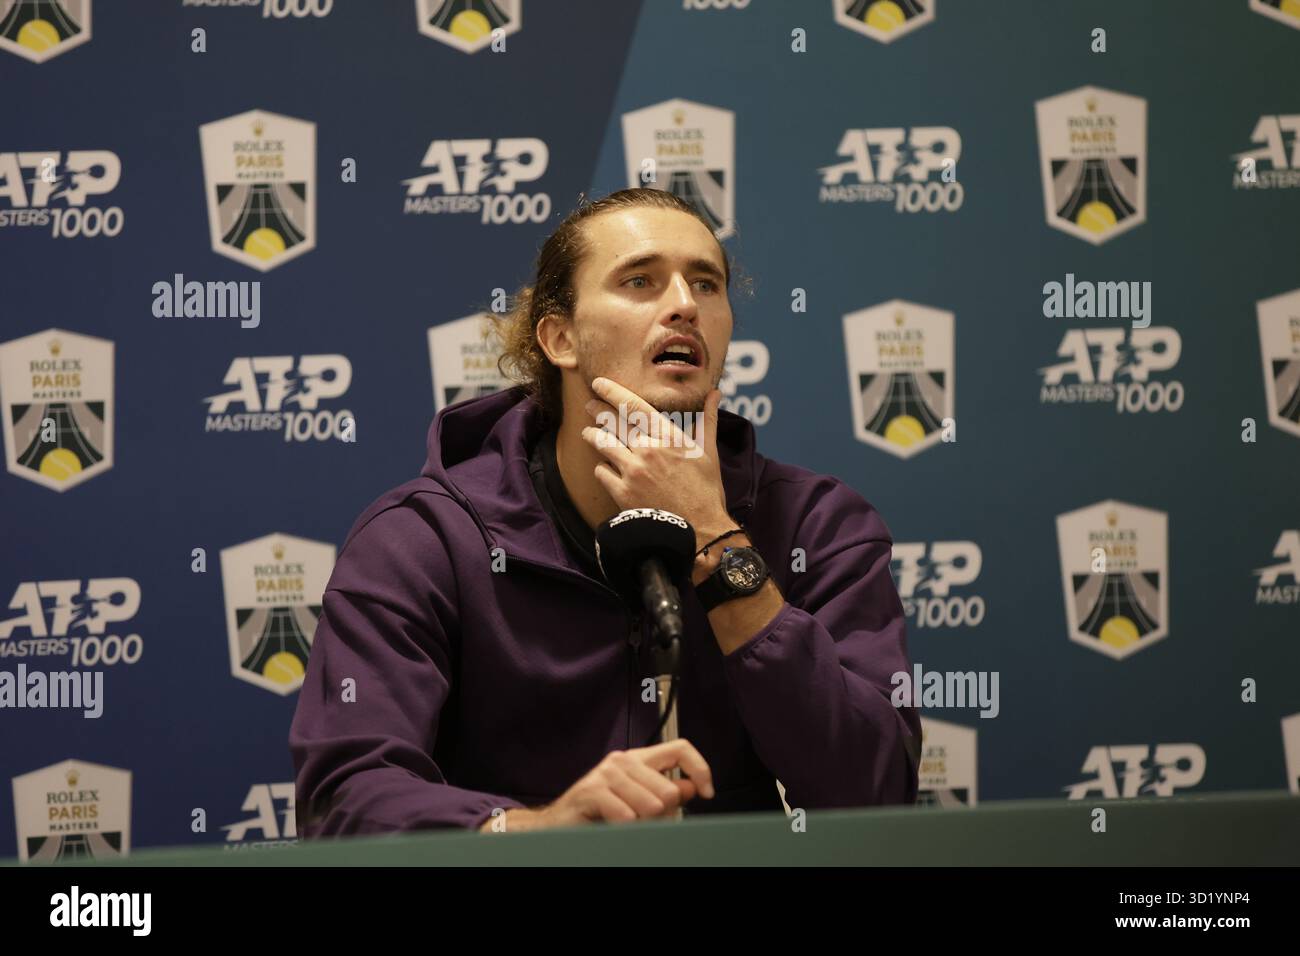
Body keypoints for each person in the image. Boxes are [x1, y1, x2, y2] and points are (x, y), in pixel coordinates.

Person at [289, 188, 921, 836]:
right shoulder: (424, 540)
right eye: (641, 280)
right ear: (560, 337)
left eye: (707, 283)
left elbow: (874, 791)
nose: (684, 305)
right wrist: (535, 831)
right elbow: (344, 796)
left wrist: (716, 541)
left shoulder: (816, 524)